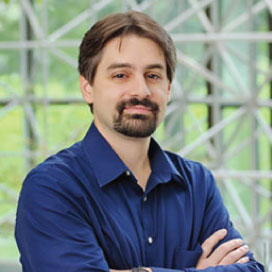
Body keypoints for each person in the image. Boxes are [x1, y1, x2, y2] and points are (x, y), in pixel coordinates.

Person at [15, 11, 264, 272]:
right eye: (120, 75)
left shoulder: (197, 184)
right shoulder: (52, 188)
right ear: (87, 87)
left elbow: (250, 269)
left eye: (153, 76)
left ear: (168, 89)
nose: (141, 91)